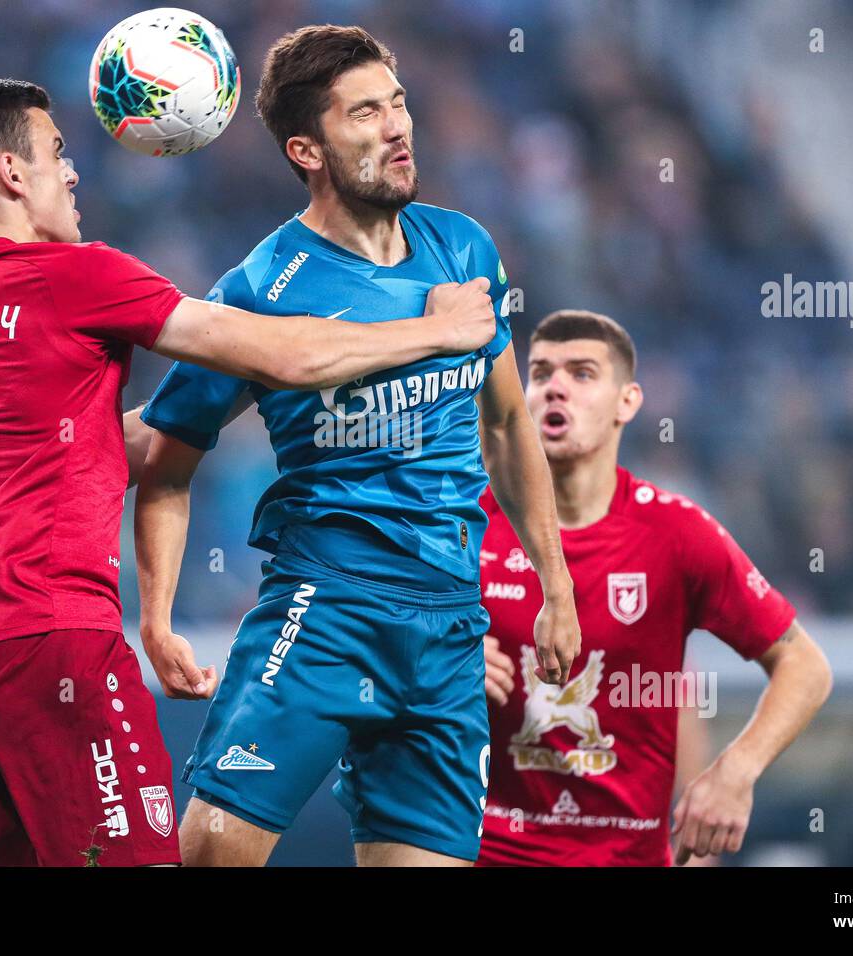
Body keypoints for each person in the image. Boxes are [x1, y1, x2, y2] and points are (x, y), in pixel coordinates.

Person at [0, 77, 495, 867]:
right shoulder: (71, 274)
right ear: (11, 172)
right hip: (47, 641)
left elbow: (81, 452)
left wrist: (192, 419)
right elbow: (283, 353)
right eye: (57, 152)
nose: (72, 173)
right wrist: (436, 332)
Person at [134, 26, 580, 866]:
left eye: (398, 103)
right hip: (327, 609)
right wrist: (154, 620)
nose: (398, 126)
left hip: (451, 627)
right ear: (307, 149)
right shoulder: (260, 289)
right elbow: (166, 461)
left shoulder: (465, 247)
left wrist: (555, 582)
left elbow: (507, 424)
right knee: (213, 853)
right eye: (366, 112)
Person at [478, 310, 832, 866]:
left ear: (628, 402)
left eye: (582, 373)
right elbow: (369, 640)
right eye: (541, 373)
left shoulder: (675, 534)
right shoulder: (466, 523)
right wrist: (441, 657)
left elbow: (805, 666)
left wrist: (734, 772)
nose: (555, 387)